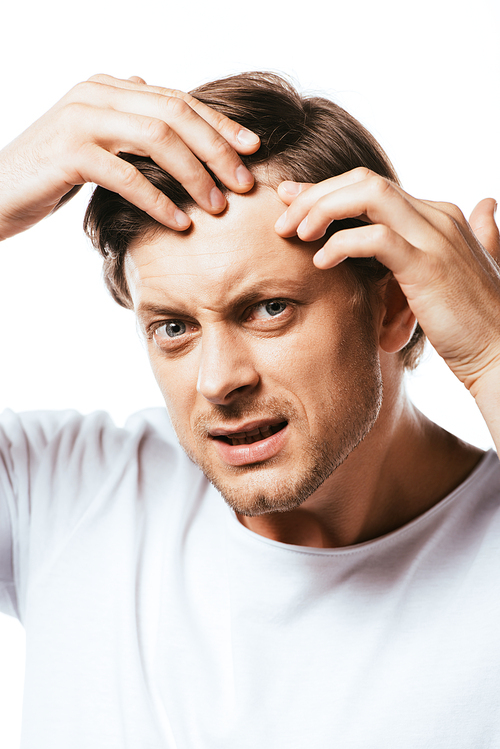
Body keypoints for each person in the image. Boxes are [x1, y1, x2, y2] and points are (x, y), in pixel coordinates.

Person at [0, 72, 499, 748]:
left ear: (392, 306)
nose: (217, 381)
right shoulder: (58, 492)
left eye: (268, 309)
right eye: (174, 326)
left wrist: (492, 356)